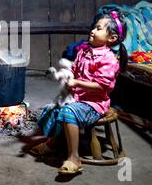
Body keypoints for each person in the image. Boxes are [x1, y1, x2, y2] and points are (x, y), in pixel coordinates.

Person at [30, 10, 128, 174]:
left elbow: (101, 86)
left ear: (111, 38)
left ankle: (74, 158)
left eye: (98, 29)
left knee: (68, 112)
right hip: (77, 98)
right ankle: (53, 143)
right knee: (53, 108)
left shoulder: (108, 59)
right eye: (94, 27)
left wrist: (77, 83)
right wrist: (66, 76)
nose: (93, 30)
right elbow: (74, 70)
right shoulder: (84, 51)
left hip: (94, 104)